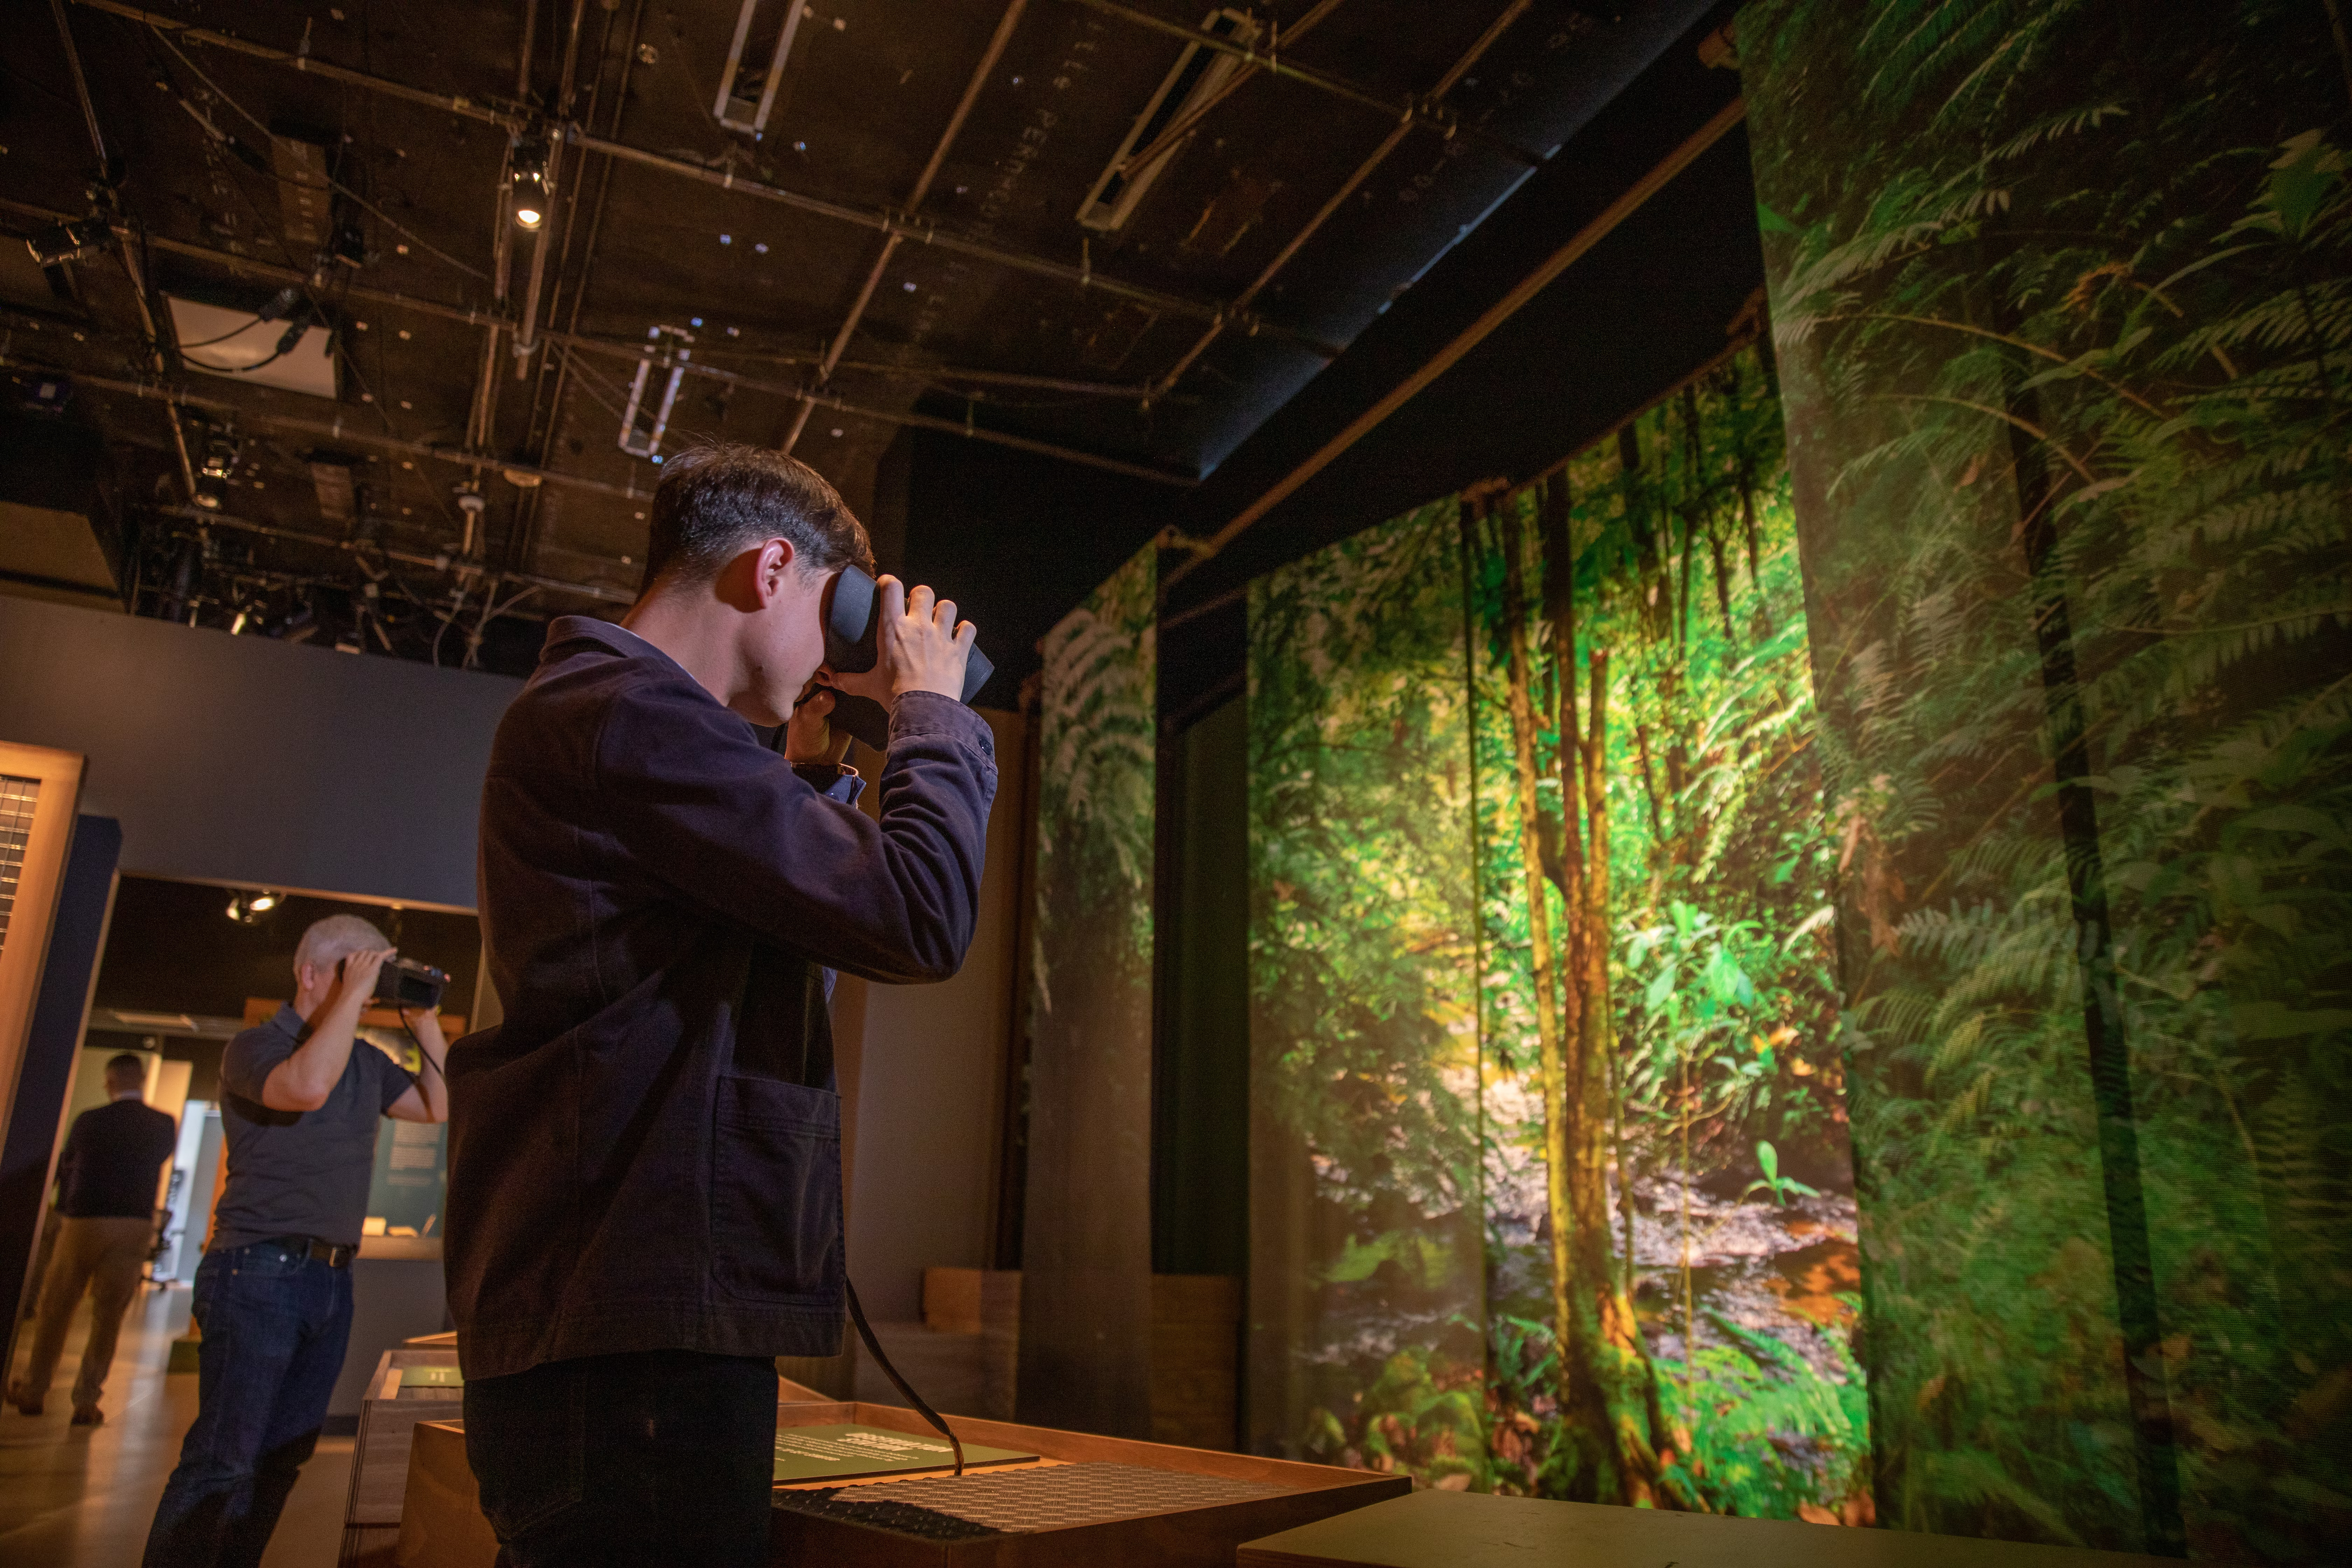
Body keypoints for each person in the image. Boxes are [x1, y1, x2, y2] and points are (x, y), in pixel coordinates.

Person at [448, 444, 996, 1568]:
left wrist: (816, 756)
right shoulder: (626, 711)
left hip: (617, 1321)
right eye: (832, 616)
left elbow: (755, 922)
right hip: (634, 1338)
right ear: (772, 568)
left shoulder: (609, 715)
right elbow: (918, 912)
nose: (827, 660)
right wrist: (933, 709)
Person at [142, 915, 449, 1568]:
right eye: (353, 969)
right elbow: (306, 1088)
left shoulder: (366, 1060)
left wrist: (424, 1029)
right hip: (256, 1271)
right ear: (309, 975)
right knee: (223, 1461)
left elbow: (437, 1107)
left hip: (330, 1280)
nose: (365, 984)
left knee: (282, 1462)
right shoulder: (256, 1047)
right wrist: (351, 1002)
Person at [7, 1052, 177, 1424]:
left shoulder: (90, 1121)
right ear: (142, 1077)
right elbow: (161, 1157)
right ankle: (86, 1399)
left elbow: (69, 1164)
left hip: (85, 1219)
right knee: (109, 1314)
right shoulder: (163, 1124)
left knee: (58, 1306)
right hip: (134, 1222)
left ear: (110, 1080)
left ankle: (35, 1390)